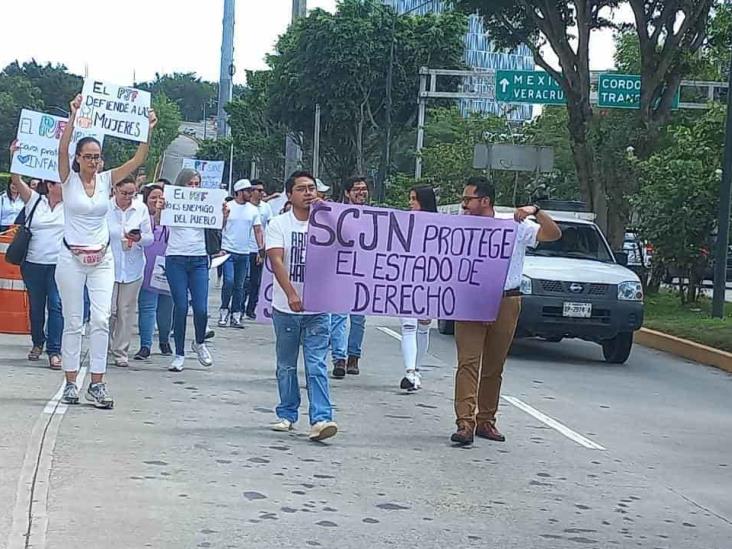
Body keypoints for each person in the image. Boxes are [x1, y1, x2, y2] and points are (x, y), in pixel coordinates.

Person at [56, 94, 157, 408]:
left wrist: (148, 129)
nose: (93, 161)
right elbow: (62, 147)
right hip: (70, 258)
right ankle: (71, 381)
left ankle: (97, 383)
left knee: (101, 318)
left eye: (97, 156)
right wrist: (73, 115)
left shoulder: (106, 180)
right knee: (74, 321)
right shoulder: (67, 179)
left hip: (101, 259)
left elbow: (138, 160)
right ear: (78, 158)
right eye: (88, 156)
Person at [451, 176, 562, 446]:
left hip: (507, 300)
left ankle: (485, 419)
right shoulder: (458, 226)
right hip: (471, 299)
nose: (463, 204)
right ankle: (464, 422)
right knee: (468, 362)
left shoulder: (513, 225)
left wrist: (535, 211)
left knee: (494, 365)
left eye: (468, 199)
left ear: (485, 201)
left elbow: (553, 234)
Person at [267, 171, 338, 442]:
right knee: (286, 365)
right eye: (302, 189)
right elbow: (276, 260)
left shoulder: (327, 224)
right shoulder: (279, 224)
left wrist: (331, 216)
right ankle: (287, 412)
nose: (308, 193)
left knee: (316, 363)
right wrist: (291, 294)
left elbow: (349, 247)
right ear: (290, 195)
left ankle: (321, 418)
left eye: (312, 188)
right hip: (286, 308)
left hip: (319, 307)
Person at [8, 146, 65, 369]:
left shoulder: (70, 206)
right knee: (36, 306)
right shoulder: (35, 201)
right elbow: (17, 180)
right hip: (33, 264)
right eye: (60, 182)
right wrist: (15, 156)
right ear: (50, 185)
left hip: (59, 265)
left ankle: (54, 350)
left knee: (56, 304)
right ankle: (37, 342)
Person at [165, 168, 223, 372]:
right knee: (180, 307)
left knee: (201, 308)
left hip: (199, 259)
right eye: (190, 183)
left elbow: (215, 227)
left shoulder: (206, 204)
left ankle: (199, 342)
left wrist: (222, 215)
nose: (193, 187)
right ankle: (179, 353)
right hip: (176, 258)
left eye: (197, 184)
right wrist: (159, 208)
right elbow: (158, 222)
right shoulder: (171, 202)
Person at [107, 177, 153, 367]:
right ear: (115, 190)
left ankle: (121, 351)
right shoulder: (105, 208)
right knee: (108, 311)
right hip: (108, 264)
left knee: (126, 310)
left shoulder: (140, 209)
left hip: (133, 266)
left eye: (131, 194)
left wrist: (139, 237)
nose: (127, 198)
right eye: (124, 193)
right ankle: (104, 345)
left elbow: (149, 238)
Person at [399, 186, 438, 392]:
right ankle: (410, 371)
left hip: (429, 280)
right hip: (406, 279)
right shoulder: (403, 223)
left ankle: (416, 369)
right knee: (408, 326)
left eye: (414, 199)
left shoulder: (442, 226)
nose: (410, 203)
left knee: (423, 325)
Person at [330, 176, 369, 379]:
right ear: (347, 193)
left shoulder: (375, 217)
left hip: (363, 273)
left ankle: (354, 356)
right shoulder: (337, 215)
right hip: (341, 271)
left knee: (358, 318)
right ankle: (339, 358)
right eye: (356, 189)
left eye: (364, 189)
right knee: (338, 316)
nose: (361, 192)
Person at [134, 184, 173, 359]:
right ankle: (145, 345)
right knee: (147, 307)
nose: (157, 202)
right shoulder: (142, 218)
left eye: (161, 199)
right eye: (153, 198)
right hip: (147, 268)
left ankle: (164, 340)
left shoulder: (174, 219)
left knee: (166, 308)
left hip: (170, 268)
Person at [218, 179, 263, 328]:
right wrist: (224, 216)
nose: (251, 193)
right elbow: (219, 227)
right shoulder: (228, 207)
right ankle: (224, 310)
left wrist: (260, 248)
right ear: (239, 192)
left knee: (240, 285)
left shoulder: (253, 210)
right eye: (248, 191)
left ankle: (236, 314)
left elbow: (258, 230)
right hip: (228, 250)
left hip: (244, 252)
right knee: (229, 281)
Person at [242, 179, 273, 320]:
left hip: (258, 249)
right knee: (243, 281)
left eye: (262, 190)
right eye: (258, 190)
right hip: (243, 248)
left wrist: (263, 249)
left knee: (256, 281)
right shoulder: (244, 207)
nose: (261, 193)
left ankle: (251, 308)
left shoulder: (266, 208)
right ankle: (238, 307)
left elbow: (269, 228)